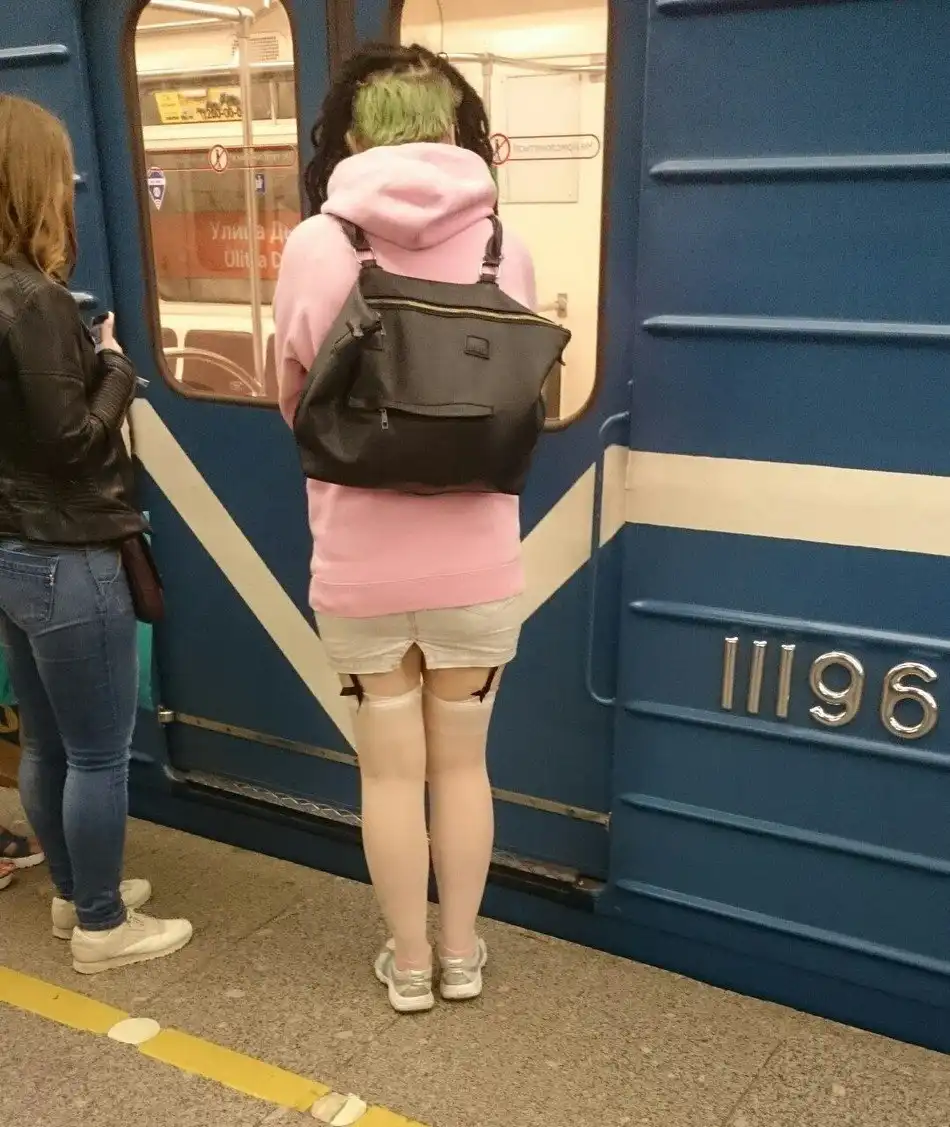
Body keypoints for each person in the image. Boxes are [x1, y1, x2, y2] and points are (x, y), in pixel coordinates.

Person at [275, 45, 538, 1012]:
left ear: (353, 134)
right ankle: (463, 954)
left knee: (388, 775)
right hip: (477, 561)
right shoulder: (505, 243)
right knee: (464, 764)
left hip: (360, 562)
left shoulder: (317, 244)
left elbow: (293, 393)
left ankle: (411, 964)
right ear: (454, 129)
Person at [0, 94, 193, 971]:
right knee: (97, 753)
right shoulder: (34, 299)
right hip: (66, 555)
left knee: (43, 741)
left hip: (11, 551)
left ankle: (74, 895)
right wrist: (113, 365)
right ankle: (104, 928)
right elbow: (73, 441)